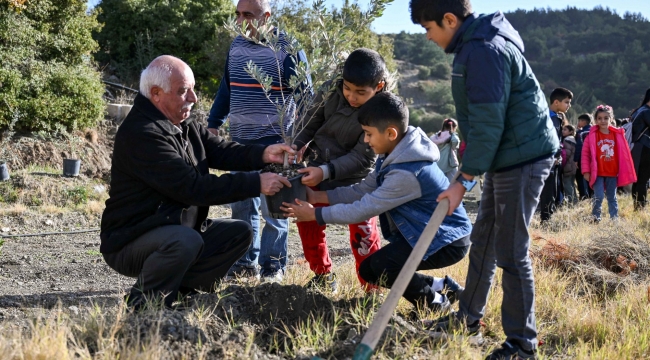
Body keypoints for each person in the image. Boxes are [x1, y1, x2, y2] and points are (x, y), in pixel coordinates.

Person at [409, 0, 559, 358]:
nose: (428, 38)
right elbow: (483, 122)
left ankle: (522, 345)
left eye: (428, 29)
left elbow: (489, 124)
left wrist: (463, 180)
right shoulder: (475, 44)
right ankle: (468, 320)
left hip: (523, 156)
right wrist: (469, 173)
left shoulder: (483, 50)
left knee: (510, 250)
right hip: (506, 156)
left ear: (449, 19)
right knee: (485, 240)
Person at [100, 55, 295, 309]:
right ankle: (143, 304)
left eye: (192, 89)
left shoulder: (181, 122)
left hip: (170, 228)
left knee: (238, 233)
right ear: (156, 94)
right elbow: (193, 188)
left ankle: (183, 295)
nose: (193, 98)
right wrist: (256, 183)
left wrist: (263, 153)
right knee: (185, 241)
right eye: (183, 91)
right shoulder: (143, 134)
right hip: (131, 240)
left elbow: (220, 150)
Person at [282, 92, 472, 312]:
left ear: (391, 133)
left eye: (368, 134)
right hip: (431, 234)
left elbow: (363, 208)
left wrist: (315, 214)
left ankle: (435, 304)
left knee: (383, 267)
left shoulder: (406, 172)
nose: (365, 140)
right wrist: (317, 197)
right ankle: (443, 286)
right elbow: (361, 190)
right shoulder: (395, 154)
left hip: (446, 240)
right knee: (370, 270)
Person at [207, 0, 311, 282]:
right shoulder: (236, 46)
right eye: (238, 14)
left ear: (266, 16)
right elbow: (226, 89)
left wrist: (302, 139)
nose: (241, 21)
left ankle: (273, 267)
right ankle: (243, 262)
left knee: (275, 211)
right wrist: (213, 123)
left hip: (277, 144)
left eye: (248, 15)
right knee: (241, 205)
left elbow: (306, 97)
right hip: (240, 146)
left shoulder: (287, 48)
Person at [291, 48, 387, 292]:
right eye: (347, 88)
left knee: (363, 239)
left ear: (379, 86)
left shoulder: (382, 113)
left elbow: (361, 159)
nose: (352, 97)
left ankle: (371, 289)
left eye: (360, 93)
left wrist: (326, 171)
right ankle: (323, 276)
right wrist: (296, 145)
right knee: (308, 222)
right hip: (317, 170)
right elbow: (310, 122)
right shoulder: (330, 91)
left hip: (355, 182)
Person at [581, 105, 636, 222]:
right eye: (599, 118)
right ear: (595, 120)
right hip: (598, 172)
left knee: (612, 197)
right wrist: (586, 171)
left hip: (612, 172)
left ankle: (614, 218)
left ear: (611, 119)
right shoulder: (591, 136)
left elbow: (624, 153)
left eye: (606, 118)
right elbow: (585, 154)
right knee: (599, 196)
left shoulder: (618, 135)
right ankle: (596, 217)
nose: (603, 121)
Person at [539, 87, 572, 222]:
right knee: (548, 191)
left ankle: (549, 216)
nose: (569, 105)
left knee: (554, 189)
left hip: (554, 160)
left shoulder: (557, 118)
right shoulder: (549, 118)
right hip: (548, 161)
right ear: (556, 102)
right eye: (566, 102)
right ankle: (546, 219)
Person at [630, 88, 650, 210]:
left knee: (638, 179)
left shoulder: (639, 110)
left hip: (637, 148)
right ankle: (640, 207)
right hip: (645, 148)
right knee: (643, 179)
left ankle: (637, 206)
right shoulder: (646, 112)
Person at [575, 113, 594, 199]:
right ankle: (593, 195)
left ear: (584, 121)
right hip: (594, 158)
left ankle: (584, 196)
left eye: (580, 121)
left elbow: (579, 147)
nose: (578, 122)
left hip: (583, 158)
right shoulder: (594, 131)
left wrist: (576, 160)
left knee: (581, 177)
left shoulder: (582, 133)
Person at [562, 124, 578, 205]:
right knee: (572, 183)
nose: (563, 131)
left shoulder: (567, 140)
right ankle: (575, 200)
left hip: (568, 166)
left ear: (571, 131)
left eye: (565, 130)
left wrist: (562, 164)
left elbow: (566, 154)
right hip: (573, 166)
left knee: (567, 184)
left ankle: (572, 201)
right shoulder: (573, 140)